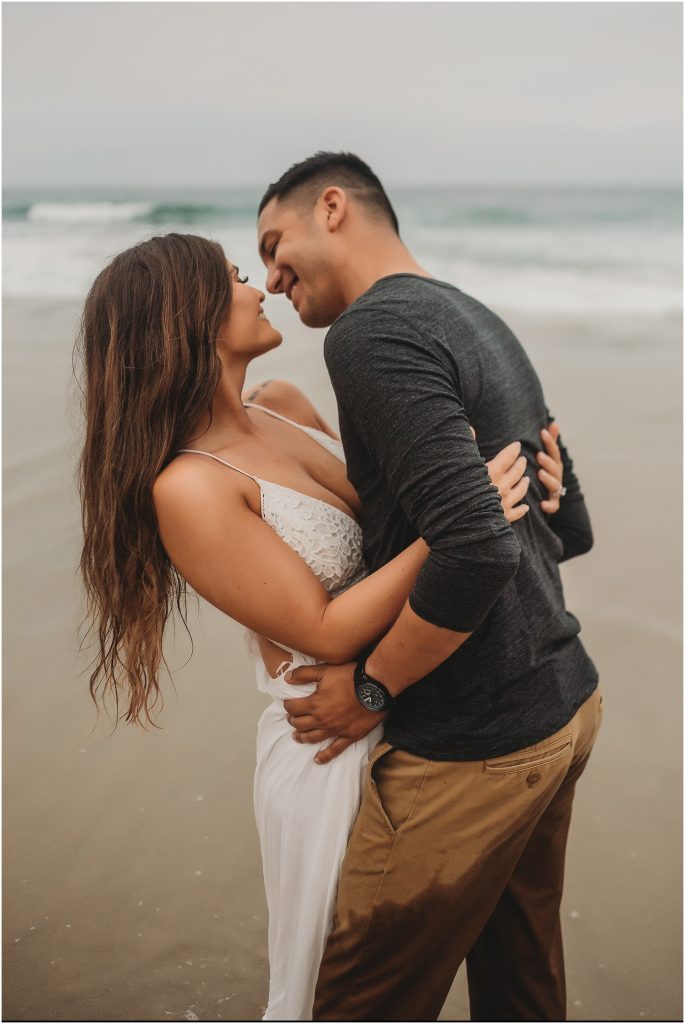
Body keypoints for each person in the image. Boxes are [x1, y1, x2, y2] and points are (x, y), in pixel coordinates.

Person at [76, 232, 565, 1021]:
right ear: (186, 318)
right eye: (236, 276)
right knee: (340, 987)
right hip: (326, 740)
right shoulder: (190, 489)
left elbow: (389, 524)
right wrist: (466, 517)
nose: (259, 286)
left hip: (400, 701)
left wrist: (521, 495)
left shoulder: (285, 406)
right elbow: (328, 627)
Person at [256, 152, 601, 1021]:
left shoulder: (369, 334)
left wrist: (373, 688)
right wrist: (554, 489)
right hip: (562, 703)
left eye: (273, 242)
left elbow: (478, 548)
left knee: (358, 1003)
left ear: (331, 207)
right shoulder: (469, 313)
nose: (268, 277)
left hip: (474, 740)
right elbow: (567, 531)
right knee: (522, 989)